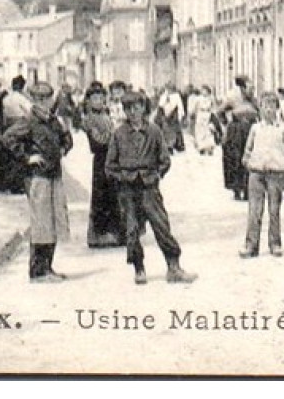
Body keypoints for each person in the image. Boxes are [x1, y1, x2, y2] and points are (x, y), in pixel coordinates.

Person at [106, 92, 197, 285]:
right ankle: (139, 268)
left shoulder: (154, 131)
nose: (133, 112)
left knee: (161, 226)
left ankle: (174, 267)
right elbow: (110, 166)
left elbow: (165, 160)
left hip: (149, 189)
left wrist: (156, 175)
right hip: (128, 191)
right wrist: (123, 177)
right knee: (132, 231)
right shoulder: (119, 134)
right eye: (128, 108)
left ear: (143, 108)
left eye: (137, 107)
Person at [1, 81, 73, 282]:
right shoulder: (29, 121)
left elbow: (67, 138)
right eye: (39, 98)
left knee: (54, 222)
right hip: (38, 178)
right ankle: (37, 271)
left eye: (47, 98)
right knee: (41, 223)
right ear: (33, 99)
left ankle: (47, 268)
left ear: (51, 100)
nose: (44, 102)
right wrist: (27, 158)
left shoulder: (53, 121)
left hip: (54, 175)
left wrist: (63, 148)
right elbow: (7, 139)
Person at [241, 92, 284, 258]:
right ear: (260, 108)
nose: (268, 110)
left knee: (274, 210)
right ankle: (251, 245)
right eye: (265, 106)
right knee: (254, 210)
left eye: (271, 106)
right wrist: (248, 162)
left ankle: (275, 244)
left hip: (275, 174)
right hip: (257, 173)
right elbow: (248, 149)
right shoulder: (255, 128)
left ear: (277, 109)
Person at [81, 85, 124, 248]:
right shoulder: (89, 119)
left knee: (113, 194)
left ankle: (114, 232)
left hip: (111, 159)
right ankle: (98, 234)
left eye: (101, 98)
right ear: (89, 101)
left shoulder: (106, 114)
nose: (99, 101)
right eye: (95, 98)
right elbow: (98, 141)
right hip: (101, 159)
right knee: (101, 195)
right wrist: (114, 135)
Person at [0, 76, 31, 195]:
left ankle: (2, 184)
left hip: (7, 126)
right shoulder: (21, 99)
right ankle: (17, 185)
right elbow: (30, 112)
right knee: (18, 156)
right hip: (19, 126)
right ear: (21, 86)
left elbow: (4, 115)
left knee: (5, 157)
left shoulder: (6, 98)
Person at [221, 77, 257, 201]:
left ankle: (247, 189)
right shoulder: (232, 98)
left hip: (250, 131)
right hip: (235, 131)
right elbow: (220, 111)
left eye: (253, 88)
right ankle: (236, 189)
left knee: (249, 159)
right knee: (235, 159)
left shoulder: (253, 100)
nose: (252, 91)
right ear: (242, 88)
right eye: (250, 88)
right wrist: (228, 123)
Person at [189, 85, 217, 155]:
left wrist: (213, 115)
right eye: (203, 90)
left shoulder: (211, 99)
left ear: (208, 91)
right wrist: (192, 114)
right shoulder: (198, 99)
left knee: (209, 131)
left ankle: (210, 147)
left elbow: (214, 108)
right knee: (200, 131)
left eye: (205, 91)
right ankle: (201, 147)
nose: (204, 92)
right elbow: (194, 108)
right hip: (200, 114)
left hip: (208, 114)